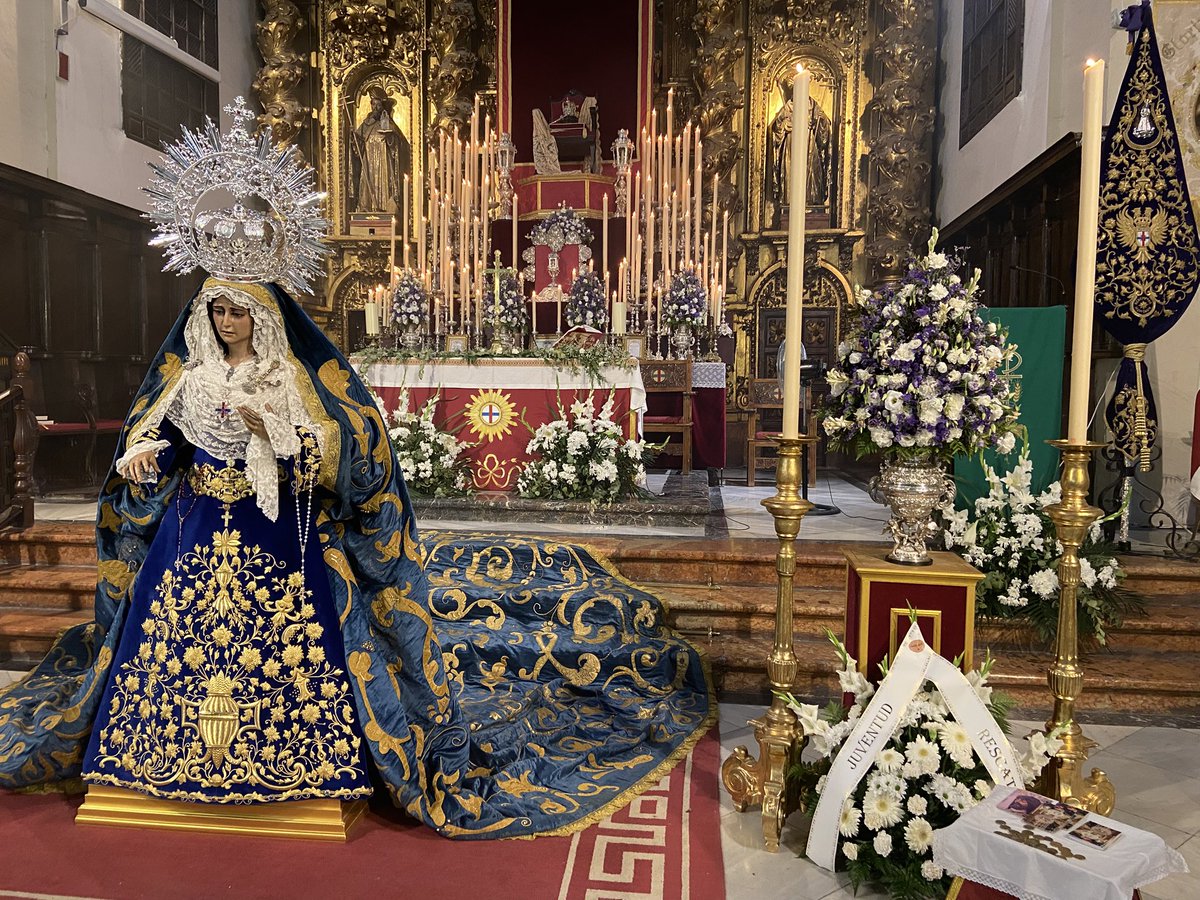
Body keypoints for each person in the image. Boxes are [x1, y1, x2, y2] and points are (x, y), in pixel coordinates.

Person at [0, 100, 712, 838]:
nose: (225, 323)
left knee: (292, 647)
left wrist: (274, 433)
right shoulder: (192, 376)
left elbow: (340, 453)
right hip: (192, 527)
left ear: (265, 316)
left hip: (277, 530)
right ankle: (156, 760)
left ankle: (298, 765)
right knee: (174, 639)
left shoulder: (295, 377)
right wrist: (148, 456)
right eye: (217, 313)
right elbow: (169, 438)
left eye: (238, 313)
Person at [351, 85, 410, 214]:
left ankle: (386, 209)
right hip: (369, 163)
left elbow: (398, 145)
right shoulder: (366, 125)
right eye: (374, 105)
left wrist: (390, 138)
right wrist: (354, 140)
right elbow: (357, 144)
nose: (376, 108)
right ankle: (367, 207)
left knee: (385, 184)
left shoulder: (388, 123)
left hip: (384, 163)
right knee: (368, 186)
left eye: (378, 105)